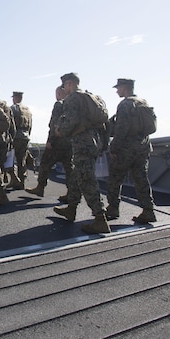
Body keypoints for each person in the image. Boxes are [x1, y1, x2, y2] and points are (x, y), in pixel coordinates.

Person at [53, 73, 110, 234]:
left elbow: (71, 121)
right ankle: (71, 209)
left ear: (69, 83)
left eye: (65, 86)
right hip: (93, 141)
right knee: (77, 177)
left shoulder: (73, 98)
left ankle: (100, 218)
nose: (64, 89)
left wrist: (59, 130)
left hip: (82, 144)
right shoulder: (90, 96)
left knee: (87, 180)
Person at [106, 78, 156, 223]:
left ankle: (113, 208)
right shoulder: (143, 102)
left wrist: (114, 147)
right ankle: (148, 210)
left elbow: (121, 129)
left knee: (115, 178)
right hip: (144, 146)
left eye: (118, 88)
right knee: (141, 179)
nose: (117, 91)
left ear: (125, 88)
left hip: (126, 148)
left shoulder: (125, 104)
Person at [26, 86, 73, 198]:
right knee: (69, 169)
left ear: (59, 93)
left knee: (45, 164)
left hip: (58, 141)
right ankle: (71, 193)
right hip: (70, 142)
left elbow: (54, 124)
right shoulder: (72, 105)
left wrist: (50, 140)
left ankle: (40, 187)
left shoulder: (59, 104)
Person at [9, 91, 33, 190]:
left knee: (10, 159)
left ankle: (14, 179)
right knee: (21, 160)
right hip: (25, 137)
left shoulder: (13, 108)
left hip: (15, 137)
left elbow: (10, 123)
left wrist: (9, 137)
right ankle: (21, 181)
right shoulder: (28, 110)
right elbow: (30, 125)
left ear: (15, 98)